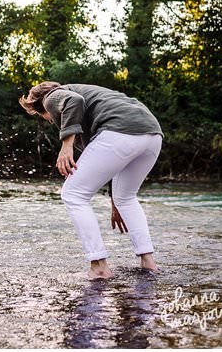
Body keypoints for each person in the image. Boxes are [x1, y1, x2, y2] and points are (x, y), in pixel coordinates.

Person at [19, 81, 163, 279]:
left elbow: (73, 101)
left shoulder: (52, 96)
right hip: (152, 134)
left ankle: (99, 266)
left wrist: (66, 145)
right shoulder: (95, 98)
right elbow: (111, 162)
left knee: (73, 194)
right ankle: (148, 263)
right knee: (126, 198)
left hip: (119, 131)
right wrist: (115, 202)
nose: (51, 121)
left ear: (40, 105)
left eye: (46, 118)